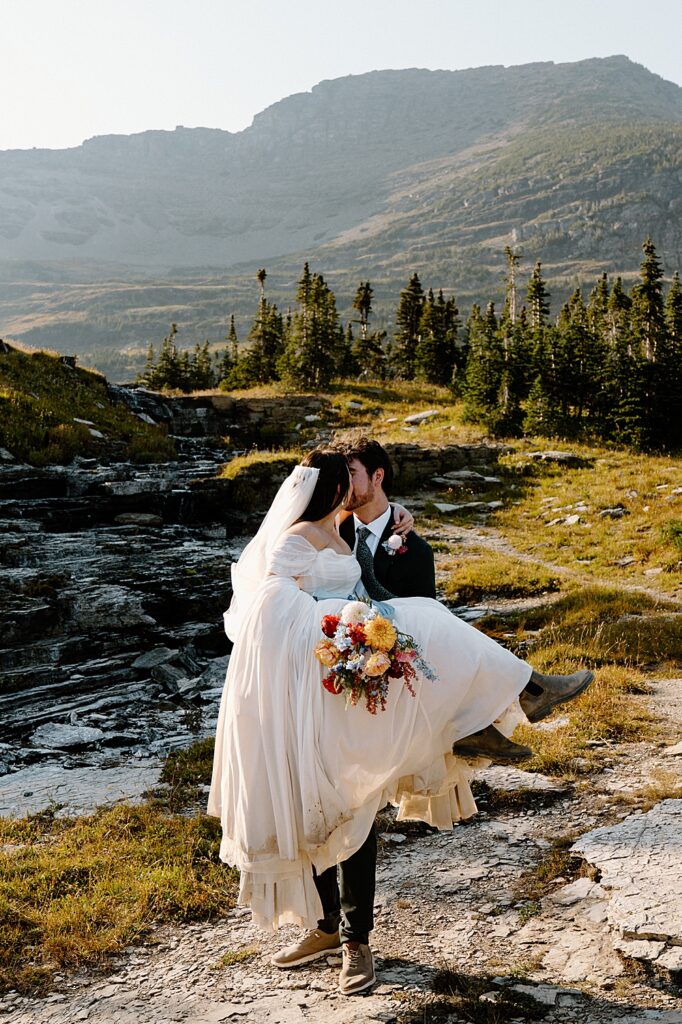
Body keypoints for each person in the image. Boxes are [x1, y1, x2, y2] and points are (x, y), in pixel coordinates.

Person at [207, 450, 593, 995]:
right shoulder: (293, 536)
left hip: (353, 682)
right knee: (316, 804)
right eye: (343, 483)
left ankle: (354, 941)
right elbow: (268, 609)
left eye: (353, 482)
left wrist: (396, 531)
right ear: (328, 487)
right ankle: (323, 928)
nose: (349, 492)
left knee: (357, 807)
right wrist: (343, 626)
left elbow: (366, 579)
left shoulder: (343, 527)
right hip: (308, 687)